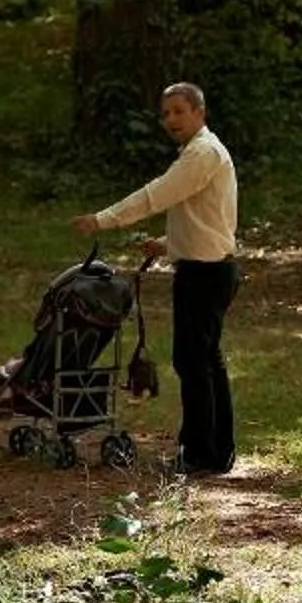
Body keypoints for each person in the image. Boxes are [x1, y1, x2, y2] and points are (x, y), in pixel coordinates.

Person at [74, 83, 239, 476]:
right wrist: (169, 244)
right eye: (165, 114)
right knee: (204, 360)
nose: (170, 120)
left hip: (205, 275)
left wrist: (102, 219)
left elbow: (155, 196)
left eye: (179, 111)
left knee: (193, 361)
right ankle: (216, 450)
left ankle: (202, 453)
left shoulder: (202, 154)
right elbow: (210, 216)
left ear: (200, 112)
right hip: (208, 268)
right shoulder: (204, 152)